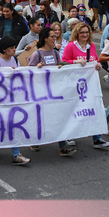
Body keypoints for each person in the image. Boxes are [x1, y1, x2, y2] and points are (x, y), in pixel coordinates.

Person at [27, 27, 77, 156]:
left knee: (58, 117)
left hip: (54, 90)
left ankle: (62, 147)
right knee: (41, 117)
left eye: (55, 37)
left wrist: (60, 67)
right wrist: (37, 68)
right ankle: (34, 140)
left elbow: (57, 68)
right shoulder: (36, 54)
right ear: (45, 38)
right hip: (40, 92)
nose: (55, 39)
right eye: (52, 37)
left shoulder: (55, 53)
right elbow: (28, 73)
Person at [0, 36, 31, 165]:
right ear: (4, 49)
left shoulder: (15, 60)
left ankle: (16, 154)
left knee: (13, 124)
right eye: (11, 48)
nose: (14, 50)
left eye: (14, 47)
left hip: (12, 97)